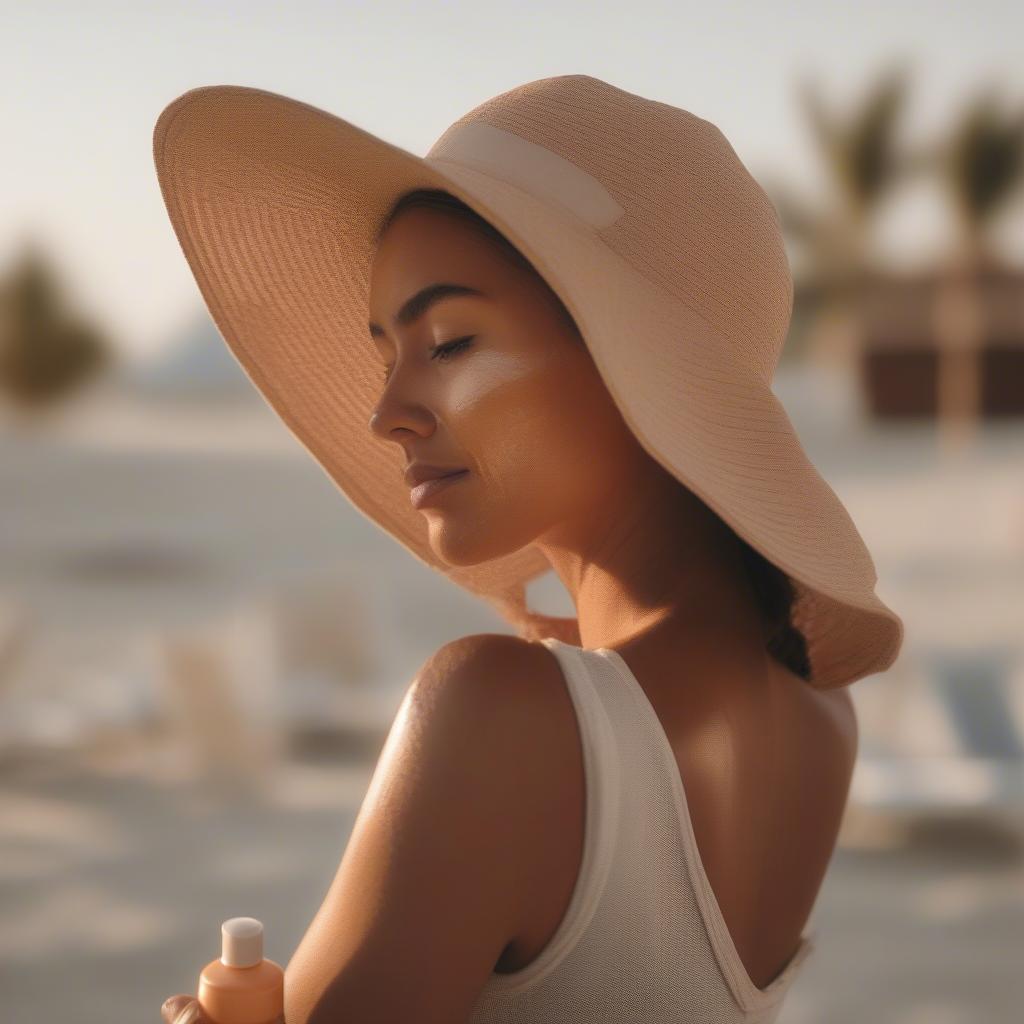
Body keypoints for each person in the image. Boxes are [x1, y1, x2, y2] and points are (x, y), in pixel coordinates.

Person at [155, 74, 902, 1023]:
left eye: (452, 341)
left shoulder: (505, 719)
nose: (386, 414)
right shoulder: (820, 711)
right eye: (389, 352)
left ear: (635, 371)